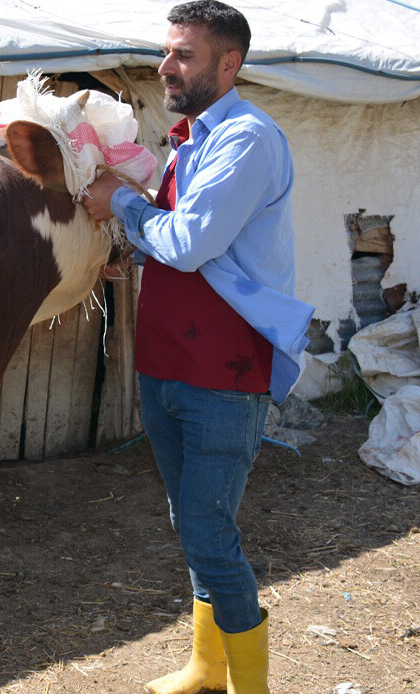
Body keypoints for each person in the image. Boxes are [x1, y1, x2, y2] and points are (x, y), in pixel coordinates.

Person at [83, 2, 314, 693]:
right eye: (167, 51)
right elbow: (201, 248)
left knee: (210, 535)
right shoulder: (192, 140)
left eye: (183, 54)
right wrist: (134, 254)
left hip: (224, 372)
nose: (165, 67)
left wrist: (121, 203)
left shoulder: (246, 138)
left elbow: (189, 244)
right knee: (191, 524)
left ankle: (248, 685)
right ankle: (207, 668)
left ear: (228, 63)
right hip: (170, 363)